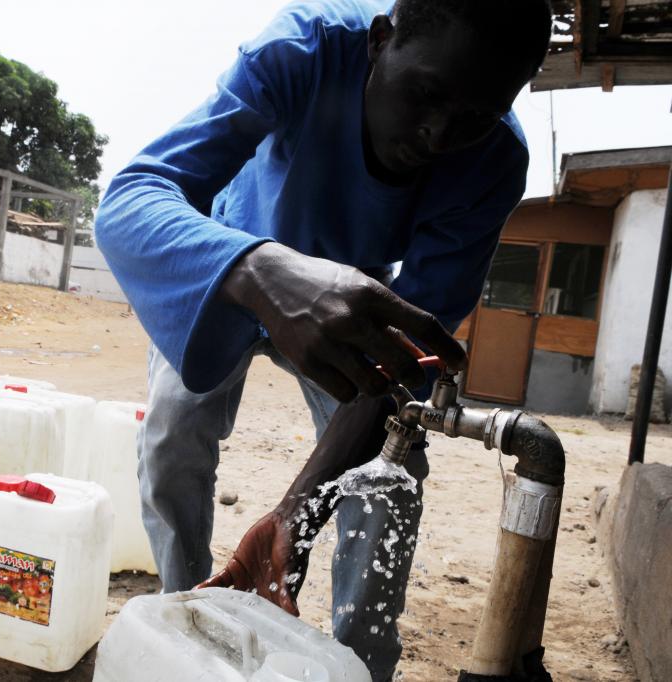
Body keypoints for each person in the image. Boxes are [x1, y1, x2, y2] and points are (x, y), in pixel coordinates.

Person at [95, 0, 553, 678]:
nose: (437, 134)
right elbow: (131, 200)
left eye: (476, 119)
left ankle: (359, 661)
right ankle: (182, 615)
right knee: (170, 438)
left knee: (392, 474)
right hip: (231, 262)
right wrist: (257, 267)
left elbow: (407, 368)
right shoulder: (303, 49)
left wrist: (296, 512)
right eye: (426, 94)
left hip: (348, 301)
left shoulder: (493, 164)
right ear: (379, 41)